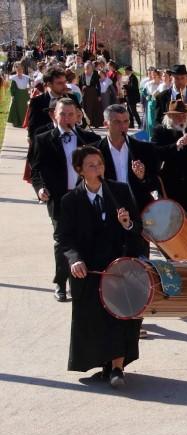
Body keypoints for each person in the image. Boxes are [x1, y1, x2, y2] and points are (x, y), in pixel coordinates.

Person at [58, 146, 143, 387]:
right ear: (80, 170)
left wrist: (127, 225)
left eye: (100, 164)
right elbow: (65, 237)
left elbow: (137, 228)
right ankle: (104, 364)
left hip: (119, 268)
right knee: (93, 320)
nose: (98, 168)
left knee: (120, 318)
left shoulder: (119, 191)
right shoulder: (70, 200)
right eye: (91, 165)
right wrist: (74, 259)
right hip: (88, 270)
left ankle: (117, 369)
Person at [29, 98, 102, 302]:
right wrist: (40, 188)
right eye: (63, 114)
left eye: (71, 114)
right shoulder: (43, 139)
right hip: (59, 198)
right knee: (63, 240)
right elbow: (36, 169)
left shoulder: (88, 138)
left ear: (77, 115)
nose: (67, 118)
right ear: (54, 115)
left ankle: (82, 280)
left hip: (84, 197)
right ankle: (61, 283)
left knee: (86, 237)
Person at [151, 100, 187, 216]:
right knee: (170, 216)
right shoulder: (160, 130)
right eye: (178, 116)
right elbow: (155, 152)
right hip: (169, 181)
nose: (182, 118)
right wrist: (175, 146)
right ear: (170, 116)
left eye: (184, 115)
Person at [154, 64, 187, 131]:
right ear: (171, 78)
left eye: (182, 78)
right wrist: (168, 119)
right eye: (176, 78)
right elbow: (157, 122)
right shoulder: (161, 97)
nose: (180, 81)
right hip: (169, 138)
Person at [79, 61, 102, 127]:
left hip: (93, 92)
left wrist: (99, 95)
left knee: (94, 108)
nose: (87, 68)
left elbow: (98, 85)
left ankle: (95, 123)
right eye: (86, 67)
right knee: (85, 108)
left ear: (92, 67)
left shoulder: (95, 74)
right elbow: (80, 84)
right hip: (85, 93)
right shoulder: (82, 75)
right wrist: (82, 89)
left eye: (88, 67)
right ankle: (86, 123)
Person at [8, 62, 31, 128]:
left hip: (25, 95)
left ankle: (25, 122)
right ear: (16, 70)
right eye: (18, 69)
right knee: (17, 109)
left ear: (23, 69)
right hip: (18, 95)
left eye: (21, 69)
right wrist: (13, 96)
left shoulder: (26, 77)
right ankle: (17, 122)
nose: (20, 70)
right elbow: (12, 88)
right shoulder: (13, 78)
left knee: (25, 109)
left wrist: (29, 90)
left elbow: (29, 86)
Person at [141, 68, 162, 138]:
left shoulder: (162, 83)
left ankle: (159, 137)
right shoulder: (148, 84)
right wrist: (147, 96)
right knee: (151, 122)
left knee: (159, 121)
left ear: (159, 75)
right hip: (151, 104)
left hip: (160, 103)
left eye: (155, 75)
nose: (153, 76)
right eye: (152, 75)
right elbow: (143, 92)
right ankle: (151, 137)